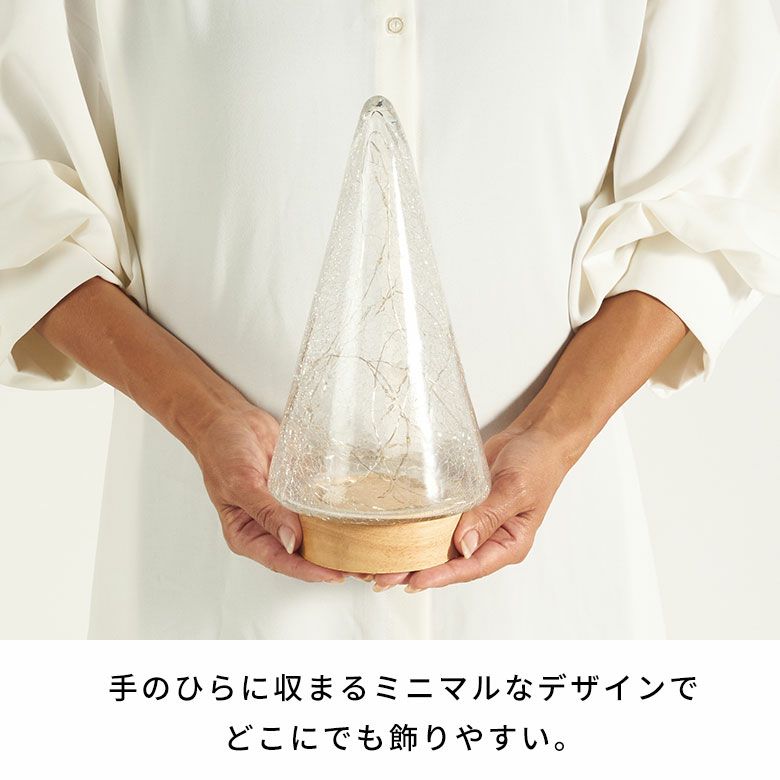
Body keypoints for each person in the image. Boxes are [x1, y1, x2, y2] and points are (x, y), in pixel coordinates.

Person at [1, 0, 779, 639]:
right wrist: (200, 417)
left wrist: (556, 434)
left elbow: (710, 201)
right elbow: (20, 192)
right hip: (214, 607)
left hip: (540, 617)